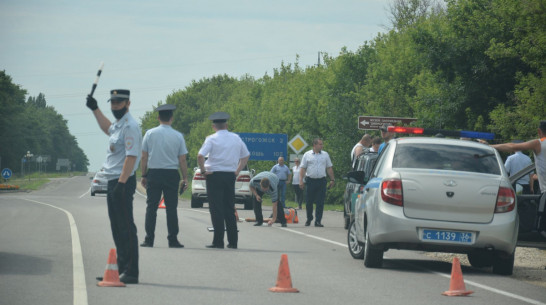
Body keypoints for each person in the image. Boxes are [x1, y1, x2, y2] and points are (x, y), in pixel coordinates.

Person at [86, 89, 141, 284]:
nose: (115, 106)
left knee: (126, 226)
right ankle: (120, 269)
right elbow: (107, 128)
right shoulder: (118, 125)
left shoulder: (130, 126)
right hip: (113, 181)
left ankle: (132, 271)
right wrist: (95, 109)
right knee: (117, 227)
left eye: (119, 102)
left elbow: (131, 156)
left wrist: (122, 183)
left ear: (128, 103)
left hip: (121, 181)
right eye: (113, 102)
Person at [197, 112, 250, 249]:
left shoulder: (211, 139)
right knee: (229, 208)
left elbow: (200, 155)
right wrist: (237, 171)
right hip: (229, 176)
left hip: (214, 175)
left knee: (216, 209)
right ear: (226, 125)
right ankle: (233, 242)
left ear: (214, 126)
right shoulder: (236, 138)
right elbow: (246, 156)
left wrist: (203, 171)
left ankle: (218, 241)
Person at [140, 104, 188, 248]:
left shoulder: (149, 134)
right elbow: (182, 159)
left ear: (158, 118)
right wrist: (185, 178)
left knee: (151, 207)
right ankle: (172, 239)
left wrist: (143, 174)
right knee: (171, 208)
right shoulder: (178, 136)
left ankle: (149, 239)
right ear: (171, 118)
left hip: (154, 173)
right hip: (171, 174)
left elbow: (144, 156)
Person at [488, 121, 545, 194]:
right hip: (526, 185)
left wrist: (489, 146)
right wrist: (531, 187)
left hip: (517, 185)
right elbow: (531, 175)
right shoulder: (528, 158)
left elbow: (511, 146)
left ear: (539, 131)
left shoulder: (539, 142)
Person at [299, 138, 335, 227]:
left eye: (322, 144)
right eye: (320, 144)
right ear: (314, 145)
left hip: (321, 181)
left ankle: (318, 221)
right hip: (310, 180)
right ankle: (309, 218)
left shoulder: (325, 155)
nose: (322, 146)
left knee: (320, 202)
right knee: (309, 202)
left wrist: (332, 179)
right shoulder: (307, 155)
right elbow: (303, 168)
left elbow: (329, 167)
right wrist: (301, 180)